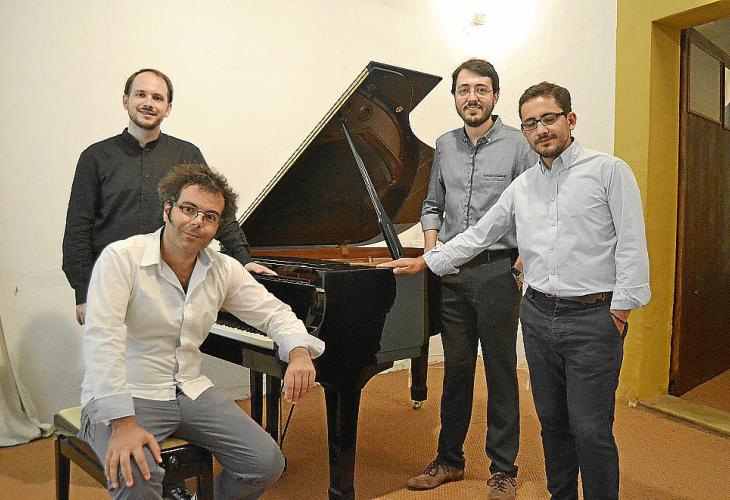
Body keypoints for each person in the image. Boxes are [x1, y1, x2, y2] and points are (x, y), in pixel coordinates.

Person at [380, 82, 651, 500]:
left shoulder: (608, 171)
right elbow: (480, 235)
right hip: (538, 316)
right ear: (523, 131)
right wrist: (426, 262)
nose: (541, 129)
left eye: (549, 119)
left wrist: (619, 314)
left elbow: (632, 243)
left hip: (593, 318)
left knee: (590, 429)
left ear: (570, 119)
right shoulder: (523, 186)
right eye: (530, 123)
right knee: (553, 425)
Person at [79, 163, 325, 499]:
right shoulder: (122, 258)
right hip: (129, 390)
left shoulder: (223, 269)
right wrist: (122, 424)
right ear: (168, 209)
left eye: (210, 216)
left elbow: (275, 313)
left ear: (217, 226)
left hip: (189, 389)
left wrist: (298, 352)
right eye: (188, 209)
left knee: (266, 463)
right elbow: (102, 341)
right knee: (136, 473)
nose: (198, 221)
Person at [406, 59, 536, 499]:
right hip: (452, 274)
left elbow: (533, 207)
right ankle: (449, 460)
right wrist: (431, 251)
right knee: (456, 371)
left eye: (481, 89)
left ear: (495, 96)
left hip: (498, 272)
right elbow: (432, 204)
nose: (472, 97)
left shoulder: (518, 145)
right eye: (464, 90)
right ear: (455, 97)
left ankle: (503, 469)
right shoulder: (444, 145)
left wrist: (519, 266)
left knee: (500, 373)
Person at [62, 68, 272, 326]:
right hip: (111, 283)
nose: (149, 103)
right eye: (141, 94)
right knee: (109, 351)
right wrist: (83, 292)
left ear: (168, 108)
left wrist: (244, 260)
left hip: (170, 285)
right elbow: (78, 228)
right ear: (126, 100)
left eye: (157, 98)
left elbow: (216, 212)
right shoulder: (94, 157)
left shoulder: (187, 154)